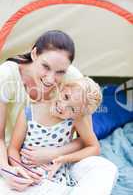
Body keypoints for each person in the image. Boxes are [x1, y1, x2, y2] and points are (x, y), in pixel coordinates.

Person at [0, 30, 117, 194]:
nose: (50, 78)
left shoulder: (75, 82)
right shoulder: (6, 76)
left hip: (60, 164)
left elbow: (88, 140)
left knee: (105, 168)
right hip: (10, 160)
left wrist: (56, 154)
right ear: (34, 54)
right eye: (45, 66)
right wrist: (7, 169)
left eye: (60, 72)